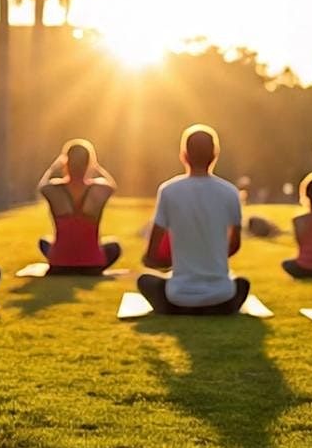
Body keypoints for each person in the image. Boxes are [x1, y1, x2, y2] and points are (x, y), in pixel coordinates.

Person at [138, 125, 249, 315]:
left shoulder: (168, 190)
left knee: (145, 280)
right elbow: (234, 245)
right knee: (242, 283)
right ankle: (214, 306)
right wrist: (210, 258)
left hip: (179, 294)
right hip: (220, 294)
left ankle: (177, 307)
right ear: (215, 155)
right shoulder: (230, 192)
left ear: (184, 155)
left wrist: (168, 264)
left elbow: (153, 251)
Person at [37, 139, 121, 274]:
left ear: (66, 163)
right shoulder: (99, 189)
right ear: (88, 164)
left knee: (44, 241)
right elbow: (113, 185)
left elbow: (41, 186)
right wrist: (97, 167)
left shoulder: (53, 189)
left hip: (59, 266)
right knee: (114, 246)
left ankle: (67, 260)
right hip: (93, 266)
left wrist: (53, 167)